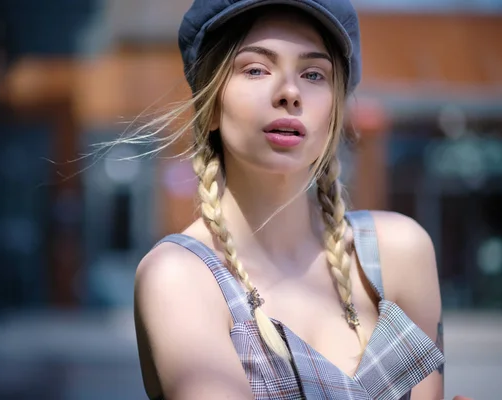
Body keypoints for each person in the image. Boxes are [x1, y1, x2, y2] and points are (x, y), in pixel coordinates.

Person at [125, 1, 467, 399]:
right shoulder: (180, 277)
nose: (289, 92)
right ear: (210, 105)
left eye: (313, 74)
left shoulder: (399, 253)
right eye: (255, 69)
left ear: (335, 111)